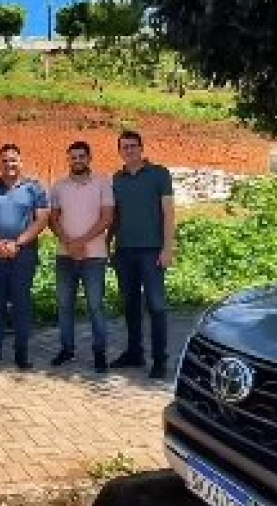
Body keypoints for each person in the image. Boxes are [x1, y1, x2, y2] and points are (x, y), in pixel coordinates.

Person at [0, 144, 50, 369]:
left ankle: (21, 353)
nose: (9, 165)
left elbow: (42, 219)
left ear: (21, 162)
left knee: (21, 304)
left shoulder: (34, 188)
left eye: (13, 160)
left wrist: (18, 243)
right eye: (5, 161)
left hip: (23, 256)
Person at [108, 130, 175, 380]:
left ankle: (159, 360)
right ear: (120, 151)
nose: (129, 150)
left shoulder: (159, 174)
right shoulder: (117, 179)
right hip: (124, 251)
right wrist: (108, 243)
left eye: (133, 146)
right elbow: (115, 216)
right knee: (130, 305)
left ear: (141, 148)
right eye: (124, 147)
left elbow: (169, 213)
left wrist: (168, 248)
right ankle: (134, 353)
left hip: (152, 251)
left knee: (156, 306)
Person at [49, 142, 114, 374]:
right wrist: (69, 243)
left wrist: (80, 242)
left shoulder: (102, 183)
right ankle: (67, 349)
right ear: (68, 160)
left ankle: (99, 352)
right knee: (65, 305)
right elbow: (53, 220)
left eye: (81, 157)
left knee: (95, 307)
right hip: (65, 257)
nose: (77, 160)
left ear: (89, 158)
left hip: (94, 257)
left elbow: (107, 218)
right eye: (73, 157)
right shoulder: (58, 187)